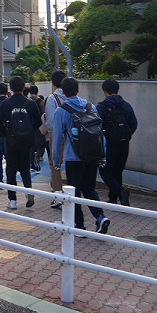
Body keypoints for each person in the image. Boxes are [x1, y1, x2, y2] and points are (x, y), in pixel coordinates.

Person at [51, 77, 110, 234]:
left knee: (74, 193)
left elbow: (57, 138)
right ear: (78, 90)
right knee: (89, 189)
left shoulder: (61, 111)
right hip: (92, 156)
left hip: (73, 157)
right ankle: (100, 217)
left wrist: (56, 160)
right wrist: (102, 156)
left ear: (63, 92)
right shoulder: (91, 107)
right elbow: (100, 134)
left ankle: (80, 226)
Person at [0, 75, 42, 210]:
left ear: (11, 88)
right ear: (23, 88)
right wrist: (29, 132)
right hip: (27, 141)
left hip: (11, 141)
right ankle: (29, 193)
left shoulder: (6, 104)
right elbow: (38, 122)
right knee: (26, 169)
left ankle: (13, 200)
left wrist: (7, 134)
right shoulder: (30, 103)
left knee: (11, 170)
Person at [96, 78, 137, 206]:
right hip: (124, 143)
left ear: (105, 91)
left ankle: (120, 191)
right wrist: (126, 135)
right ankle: (114, 198)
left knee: (105, 171)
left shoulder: (102, 106)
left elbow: (97, 125)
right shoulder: (126, 105)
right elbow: (134, 123)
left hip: (109, 144)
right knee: (118, 171)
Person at [40, 69, 67, 208]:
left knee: (55, 165)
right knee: (72, 164)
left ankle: (58, 194)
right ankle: (73, 194)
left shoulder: (52, 99)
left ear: (53, 83)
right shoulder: (72, 96)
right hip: (72, 137)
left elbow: (50, 122)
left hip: (57, 136)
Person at [27, 84, 46, 171]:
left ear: (30, 92)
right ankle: (37, 158)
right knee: (40, 145)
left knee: (31, 146)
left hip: (29, 127)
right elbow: (44, 114)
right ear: (37, 92)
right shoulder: (41, 102)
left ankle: (31, 162)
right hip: (39, 127)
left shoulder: (27, 101)